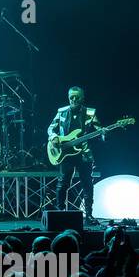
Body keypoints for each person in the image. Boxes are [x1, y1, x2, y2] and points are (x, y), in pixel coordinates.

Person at [47, 86, 101, 215]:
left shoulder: (90, 113)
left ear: (82, 98)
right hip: (65, 153)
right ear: (68, 97)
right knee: (63, 183)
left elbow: (99, 130)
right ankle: (60, 213)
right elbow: (51, 128)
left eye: (77, 97)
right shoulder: (61, 112)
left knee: (87, 183)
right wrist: (54, 137)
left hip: (84, 153)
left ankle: (88, 214)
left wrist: (104, 133)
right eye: (71, 96)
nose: (74, 99)